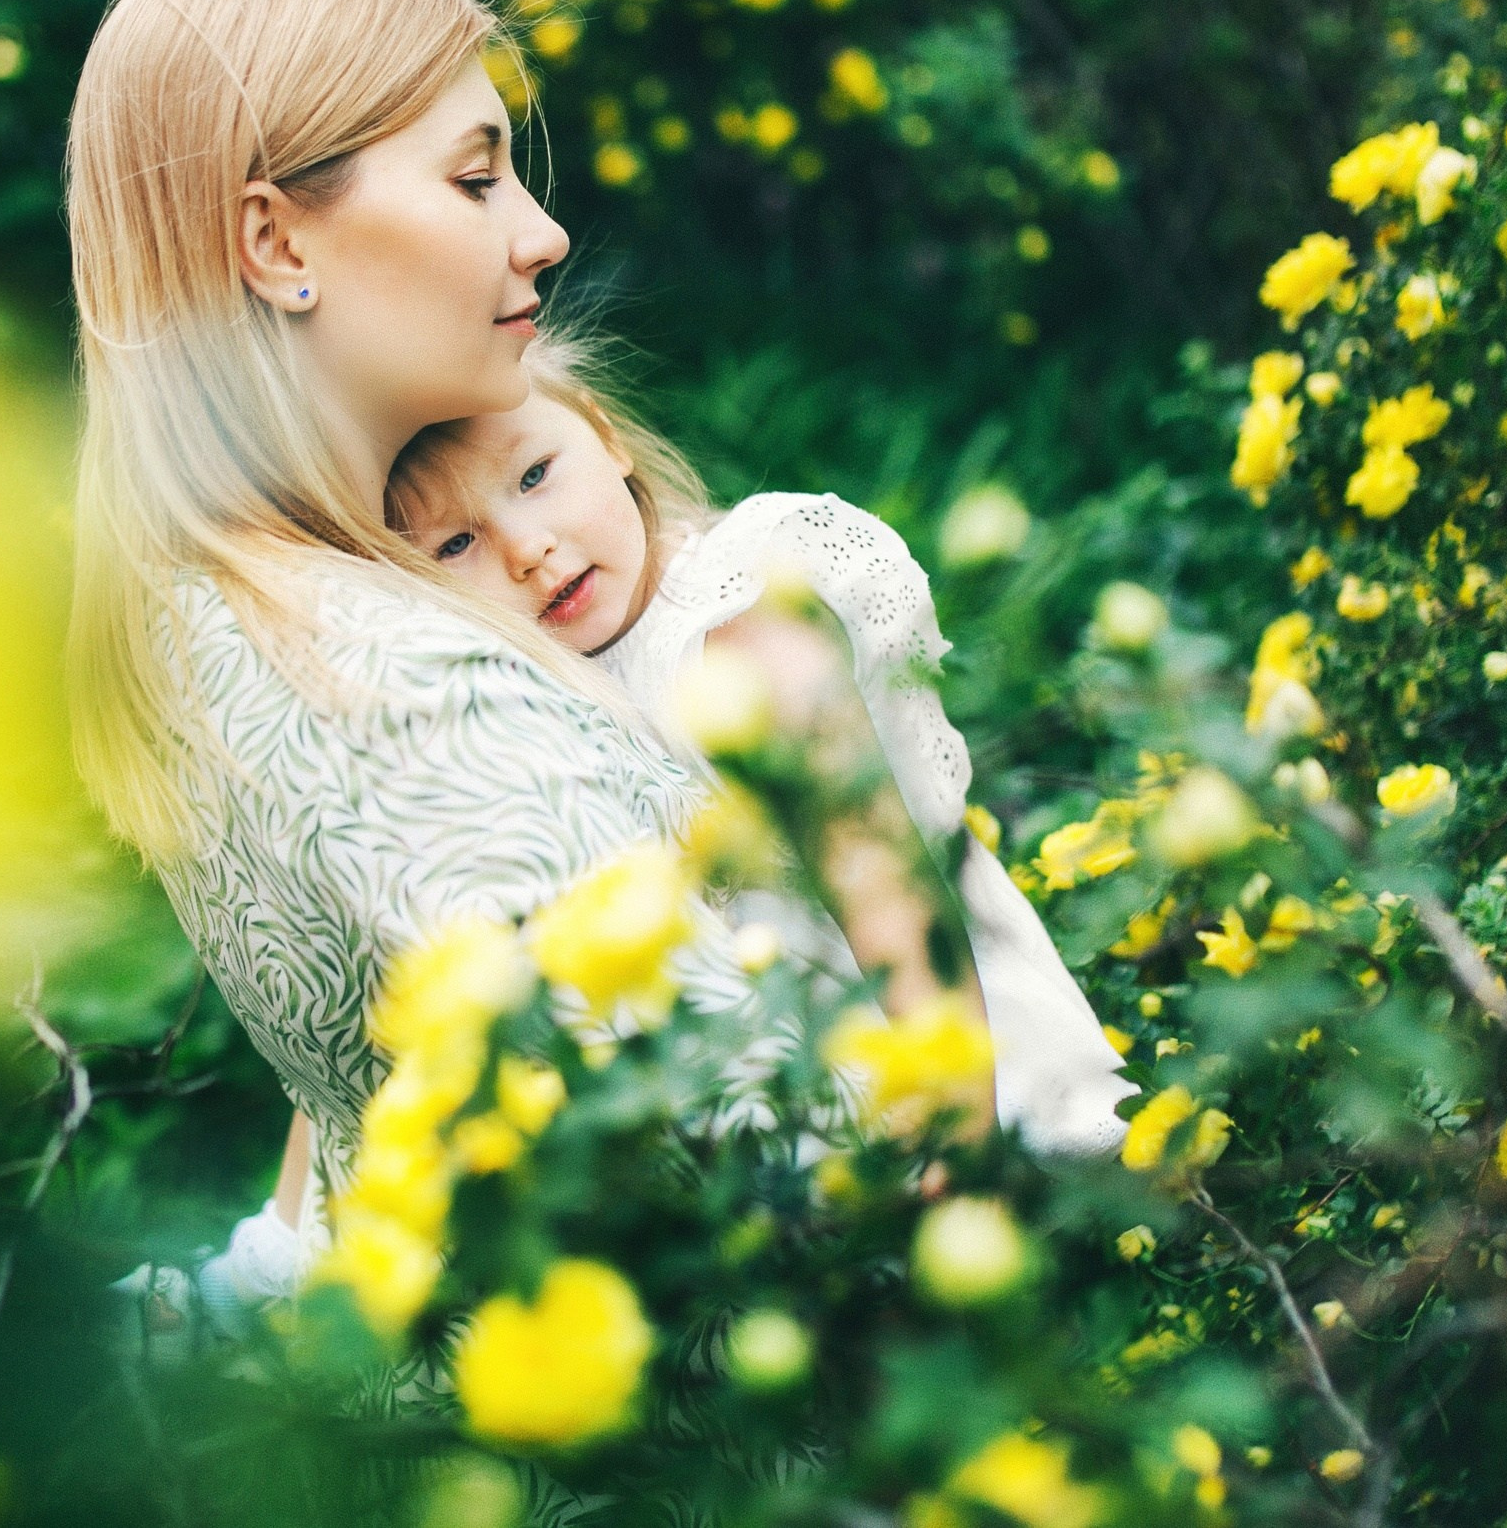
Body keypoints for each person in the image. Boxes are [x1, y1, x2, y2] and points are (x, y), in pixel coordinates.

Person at [65, 0, 946, 1342]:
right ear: (276, 241)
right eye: (475, 177)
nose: (543, 232)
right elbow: (775, 1176)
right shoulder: (404, 691)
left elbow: (368, 1109)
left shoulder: (226, 607)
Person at [384, 347, 1137, 1163]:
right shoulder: (525, 702)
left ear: (607, 435)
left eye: (534, 476)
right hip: (788, 1123)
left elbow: (883, 886)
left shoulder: (734, 624)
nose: (526, 548)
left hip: (956, 1066)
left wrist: (955, 1137)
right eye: (454, 543)